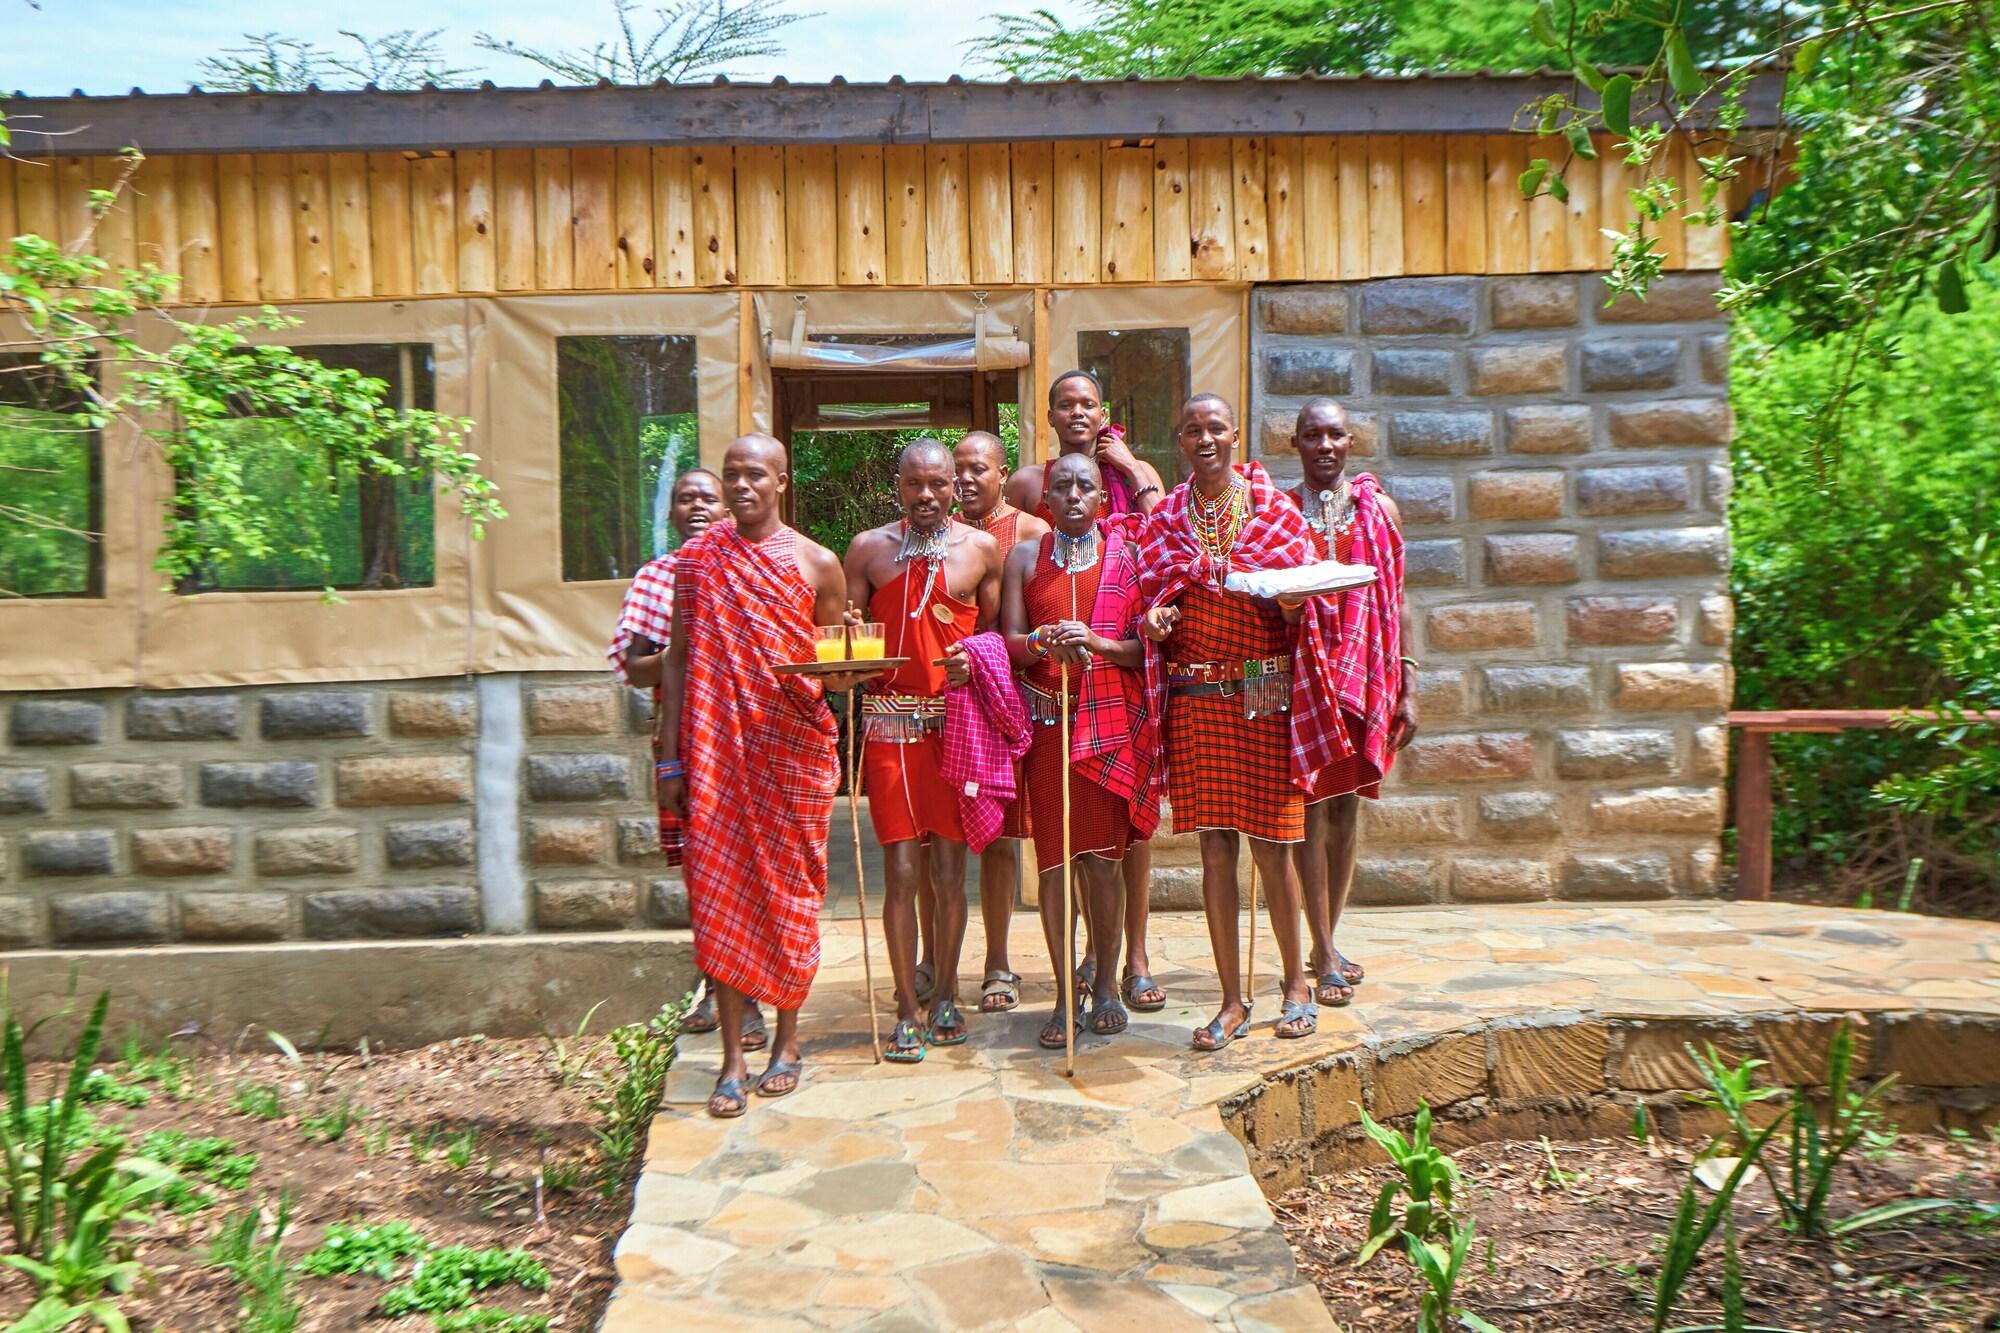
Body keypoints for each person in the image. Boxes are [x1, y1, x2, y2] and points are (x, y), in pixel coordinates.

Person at [655, 435, 870, 1119]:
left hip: (792, 752)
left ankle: (787, 1041)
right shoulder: (697, 562)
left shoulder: (817, 563)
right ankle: (731, 1059)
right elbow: (676, 660)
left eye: (755, 475)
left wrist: (853, 656)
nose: (742, 486)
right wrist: (669, 758)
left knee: (790, 895)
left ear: (782, 481)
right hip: (716, 755)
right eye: (732, 476)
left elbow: (834, 675)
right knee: (721, 900)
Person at [1134, 393, 1342, 1050]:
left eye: (1216, 428)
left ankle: (1296, 986)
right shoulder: (1167, 519)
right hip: (1196, 699)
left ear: (1234, 436)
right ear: (1180, 440)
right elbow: (1151, 595)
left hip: (1262, 692)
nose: (1205, 438)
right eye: (1192, 429)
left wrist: (1291, 603)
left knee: (1275, 846)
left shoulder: (1273, 511)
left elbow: (1304, 605)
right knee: (1216, 850)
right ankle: (1231, 1001)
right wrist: (1154, 620)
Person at [1006, 370, 1170, 1016]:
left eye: (1086, 488)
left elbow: (1143, 649)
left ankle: (1106, 983)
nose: (1073, 496)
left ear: (1104, 499)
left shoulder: (1126, 555)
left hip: (1106, 727)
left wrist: (1097, 644)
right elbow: (1008, 643)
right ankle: (1060, 997)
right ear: (1043, 497)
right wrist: (1042, 641)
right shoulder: (1026, 557)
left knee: (1104, 861)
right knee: (1054, 865)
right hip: (1048, 728)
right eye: (1062, 488)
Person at [844, 439, 1003, 1062]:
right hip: (889, 729)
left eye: (939, 484)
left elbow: (996, 639)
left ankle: (948, 995)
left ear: (955, 487)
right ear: (899, 487)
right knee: (903, 873)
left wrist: (976, 661)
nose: (928, 495)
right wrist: (852, 644)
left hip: (953, 729)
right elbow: (846, 648)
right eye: (916, 484)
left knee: (949, 872)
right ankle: (907, 1005)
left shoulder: (980, 550)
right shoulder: (868, 550)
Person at [608, 469, 769, 1049]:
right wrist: (687, 651)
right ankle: (718, 986)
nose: (696, 506)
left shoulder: (753, 568)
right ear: (671, 512)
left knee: (750, 863)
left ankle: (749, 993)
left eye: (707, 497)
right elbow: (636, 667)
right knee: (704, 868)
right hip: (685, 734)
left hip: (750, 734)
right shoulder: (657, 578)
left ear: (728, 507)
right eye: (684, 499)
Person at [1280, 399, 1417, 1008]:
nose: (1325, 446)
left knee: (1346, 811)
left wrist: (1408, 684)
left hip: (1366, 678)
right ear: (1296, 444)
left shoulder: (1378, 511)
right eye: (1313, 435)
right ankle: (1323, 949)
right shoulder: (1281, 512)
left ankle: (1326, 943)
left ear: (1351, 441)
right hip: (1304, 681)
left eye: (1335, 434)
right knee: (1311, 811)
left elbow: (1399, 599)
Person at [953, 431, 1049, 1016]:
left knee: (1038, 837)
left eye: (977, 469)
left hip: (1025, 703)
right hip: (964, 707)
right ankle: (982, 962)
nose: (965, 479)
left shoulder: (1031, 532)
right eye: (958, 469)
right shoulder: (941, 535)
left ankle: (1077, 959)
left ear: (1001, 471)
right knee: (979, 840)